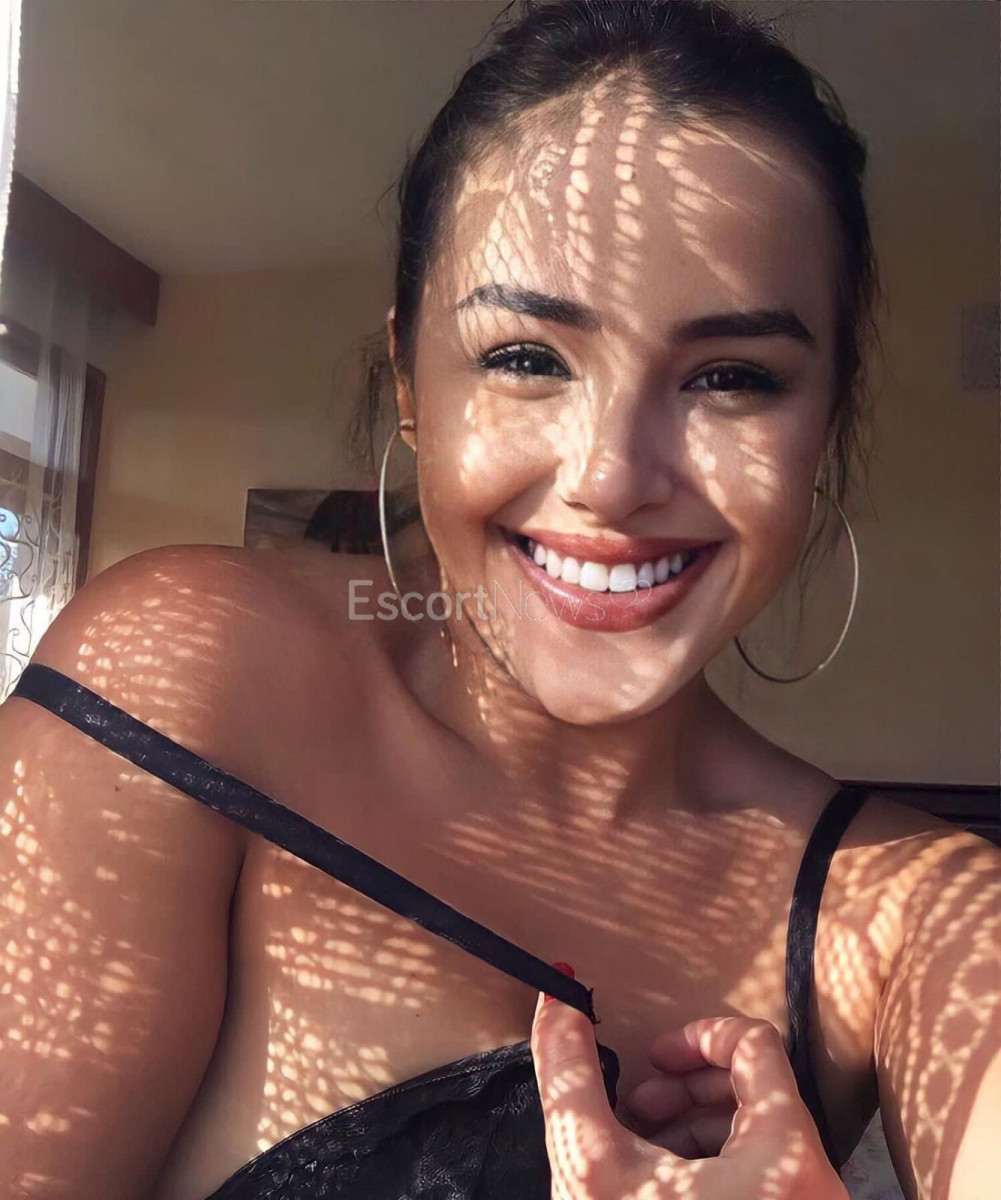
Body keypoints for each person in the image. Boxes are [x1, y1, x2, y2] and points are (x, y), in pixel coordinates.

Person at [1, 2, 997, 1198]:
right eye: (526, 358)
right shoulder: (187, 676)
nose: (611, 479)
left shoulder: (915, 913)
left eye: (732, 377)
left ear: (821, 427)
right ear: (408, 384)